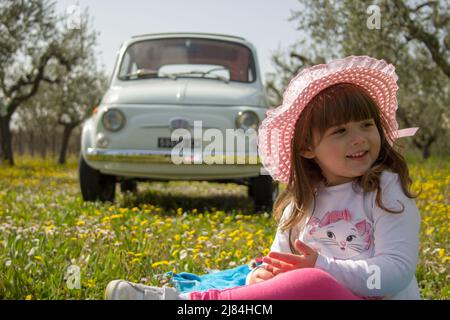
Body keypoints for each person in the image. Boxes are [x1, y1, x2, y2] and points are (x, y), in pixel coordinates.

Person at [104, 55, 422, 300]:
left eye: (366, 125)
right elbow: (279, 260)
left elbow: (395, 272)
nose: (359, 139)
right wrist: (260, 275)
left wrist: (321, 268)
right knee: (279, 284)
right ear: (308, 147)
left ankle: (186, 301)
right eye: (340, 131)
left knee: (314, 282)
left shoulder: (386, 190)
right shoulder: (301, 203)